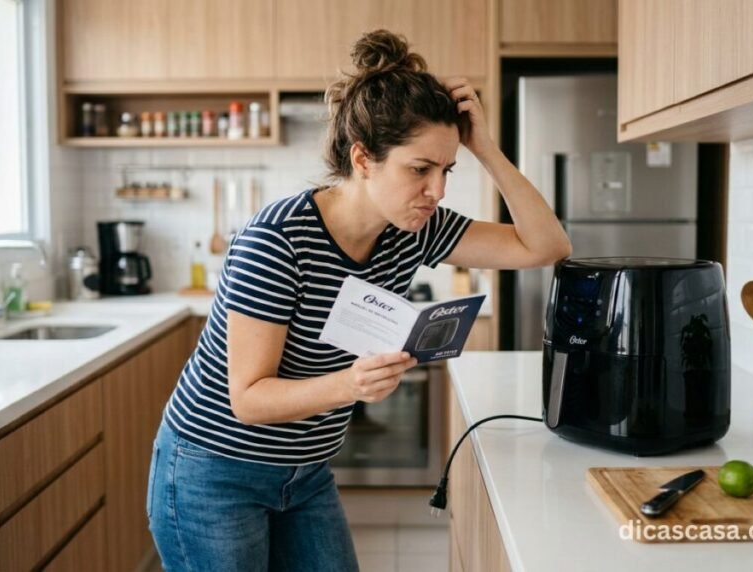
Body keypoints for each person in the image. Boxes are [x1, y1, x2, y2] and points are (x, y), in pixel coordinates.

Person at [147, 29, 572, 572]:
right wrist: (353, 384)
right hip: (214, 473)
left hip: (305, 472)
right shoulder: (277, 240)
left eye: (447, 170)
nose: (437, 190)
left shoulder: (415, 227)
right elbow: (248, 400)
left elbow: (547, 245)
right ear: (364, 158)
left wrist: (484, 148)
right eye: (420, 169)